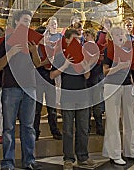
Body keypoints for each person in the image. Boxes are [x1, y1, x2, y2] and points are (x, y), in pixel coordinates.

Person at [0, 10, 42, 170]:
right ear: (16, 23)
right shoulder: (7, 40)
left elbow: (38, 63)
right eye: (24, 21)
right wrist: (12, 51)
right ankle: (8, 162)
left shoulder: (32, 41)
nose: (27, 24)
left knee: (28, 127)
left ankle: (29, 161)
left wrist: (34, 51)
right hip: (11, 87)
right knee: (8, 127)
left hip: (30, 86)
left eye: (29, 21)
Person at [50, 29, 95, 170]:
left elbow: (87, 76)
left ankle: (83, 156)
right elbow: (51, 75)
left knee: (83, 128)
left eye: (79, 39)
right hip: (68, 95)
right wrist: (65, 66)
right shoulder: (60, 55)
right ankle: (68, 158)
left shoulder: (83, 54)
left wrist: (86, 66)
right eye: (75, 39)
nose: (78, 42)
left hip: (82, 94)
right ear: (67, 40)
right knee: (68, 129)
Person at [102, 27, 134, 166]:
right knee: (113, 120)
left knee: (129, 119)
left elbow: (131, 69)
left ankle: (132, 151)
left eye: (121, 34)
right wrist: (119, 66)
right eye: (116, 34)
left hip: (126, 84)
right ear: (111, 37)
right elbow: (105, 71)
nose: (120, 36)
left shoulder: (128, 50)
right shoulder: (109, 50)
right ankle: (115, 153)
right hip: (112, 85)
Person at [34, 18, 63, 141]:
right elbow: (32, 64)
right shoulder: (34, 48)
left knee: (51, 107)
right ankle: (35, 131)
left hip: (49, 77)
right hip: (38, 78)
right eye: (43, 35)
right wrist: (44, 62)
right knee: (37, 107)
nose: (45, 37)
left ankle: (54, 130)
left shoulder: (51, 46)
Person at [83, 28, 104, 136]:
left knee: (96, 104)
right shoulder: (84, 47)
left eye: (87, 35)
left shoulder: (96, 47)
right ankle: (88, 126)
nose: (85, 38)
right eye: (85, 36)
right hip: (87, 77)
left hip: (95, 77)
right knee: (88, 104)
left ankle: (98, 125)